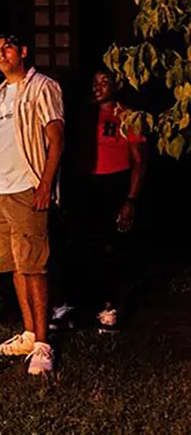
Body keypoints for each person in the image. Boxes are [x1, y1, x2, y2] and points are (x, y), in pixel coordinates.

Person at [0, 35, 64, 375]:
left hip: (27, 186)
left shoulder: (43, 87)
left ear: (23, 52)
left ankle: (44, 344)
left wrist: (45, 184)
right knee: (15, 264)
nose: (1, 54)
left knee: (34, 264)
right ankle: (30, 333)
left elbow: (56, 136)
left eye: (8, 48)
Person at [71, 68, 146, 333]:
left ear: (116, 85)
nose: (99, 87)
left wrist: (131, 199)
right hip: (86, 183)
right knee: (84, 246)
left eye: (104, 82)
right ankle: (84, 305)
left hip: (114, 182)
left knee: (111, 247)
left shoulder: (127, 115)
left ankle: (110, 305)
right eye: (95, 82)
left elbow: (138, 160)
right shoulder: (83, 115)